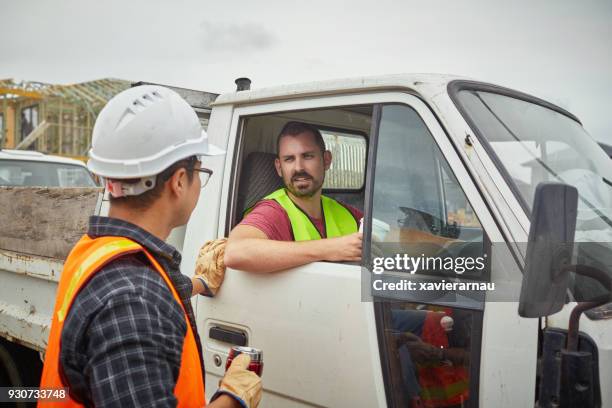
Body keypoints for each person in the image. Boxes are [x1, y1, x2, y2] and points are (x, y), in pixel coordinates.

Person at [39, 86, 261, 408]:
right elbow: (137, 298)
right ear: (179, 182)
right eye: (201, 172)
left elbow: (136, 286)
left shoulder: (99, 251)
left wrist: (199, 283)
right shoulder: (135, 302)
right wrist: (233, 398)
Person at [224, 121, 363, 273]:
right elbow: (235, 252)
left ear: (326, 160)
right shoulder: (273, 211)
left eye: (308, 156)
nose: (298, 168)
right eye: (289, 159)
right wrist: (331, 248)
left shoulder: (345, 212)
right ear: (279, 167)